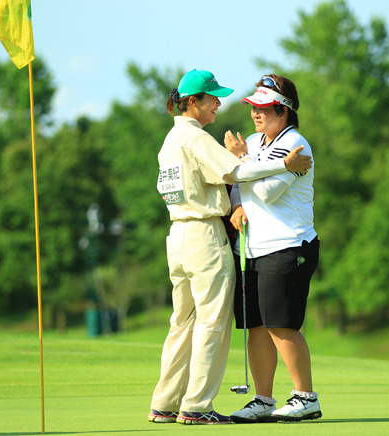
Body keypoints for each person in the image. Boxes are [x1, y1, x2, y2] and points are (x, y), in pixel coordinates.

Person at [148, 69, 312, 425]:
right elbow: (237, 173)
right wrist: (284, 164)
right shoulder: (196, 137)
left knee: (182, 323)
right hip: (203, 235)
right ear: (194, 102)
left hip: (176, 235)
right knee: (211, 322)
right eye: (212, 99)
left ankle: (164, 402)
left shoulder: (170, 140)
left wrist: (244, 179)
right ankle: (197, 406)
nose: (218, 105)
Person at [225, 74, 322, 423]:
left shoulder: (295, 144)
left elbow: (266, 192)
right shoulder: (254, 141)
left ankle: (305, 397)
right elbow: (237, 184)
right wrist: (236, 205)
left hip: (288, 246)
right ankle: (263, 399)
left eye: (263, 107)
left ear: (283, 110)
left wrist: (243, 160)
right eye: (253, 107)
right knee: (257, 326)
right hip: (252, 249)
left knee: (282, 325)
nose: (255, 114)